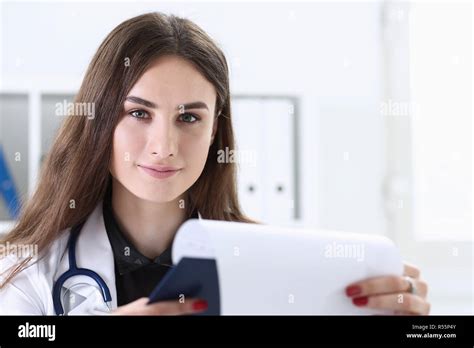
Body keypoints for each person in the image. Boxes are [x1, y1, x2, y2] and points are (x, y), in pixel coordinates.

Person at [0, 12, 429, 315]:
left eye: (189, 118)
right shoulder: (26, 272)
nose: (164, 146)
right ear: (98, 123)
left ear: (214, 133)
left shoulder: (277, 267)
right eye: (138, 113)